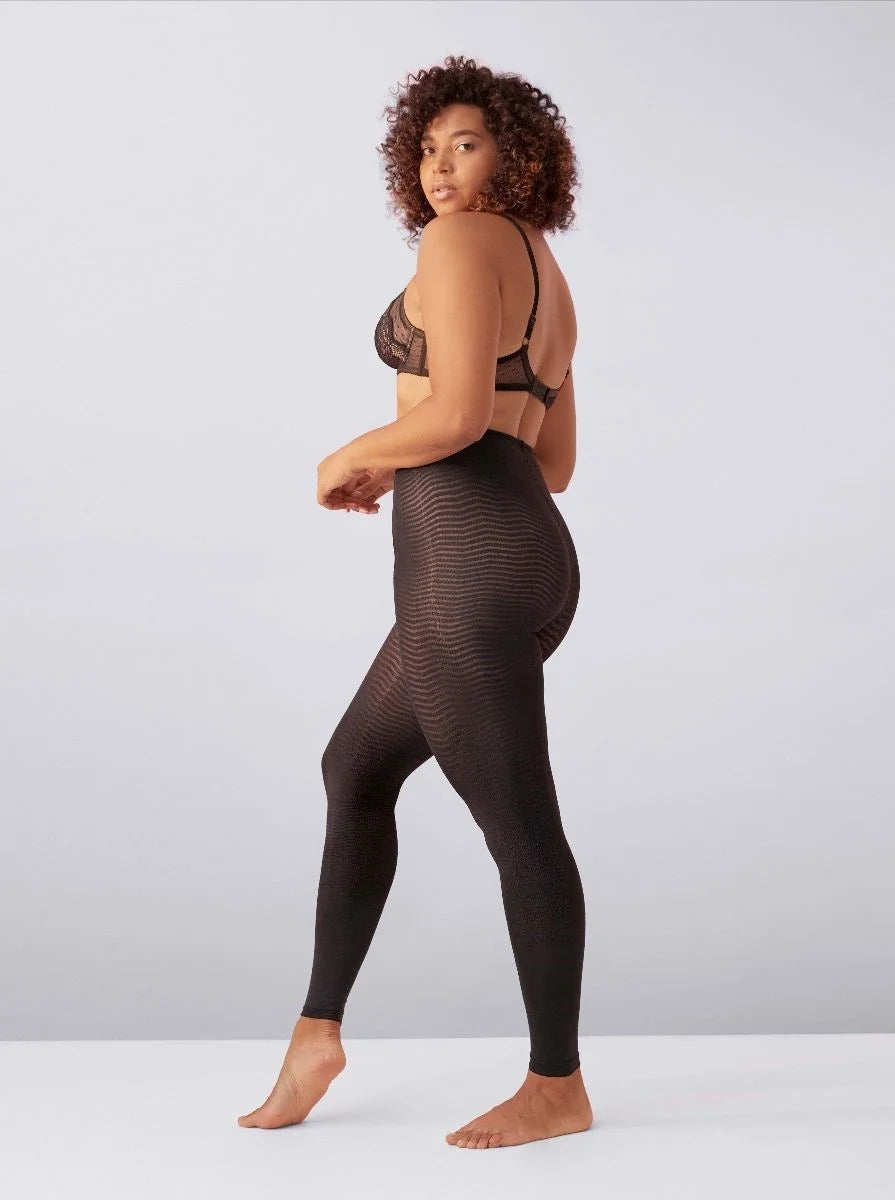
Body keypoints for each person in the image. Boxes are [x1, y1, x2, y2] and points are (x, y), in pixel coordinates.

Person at [238, 54, 592, 1150]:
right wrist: (407, 462)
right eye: (428, 148)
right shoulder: (544, 271)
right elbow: (549, 458)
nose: (441, 169)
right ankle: (316, 1035)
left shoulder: (458, 243)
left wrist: (350, 454)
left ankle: (556, 1084)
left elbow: (454, 415)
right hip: (521, 550)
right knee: (356, 767)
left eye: (466, 145)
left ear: (514, 155)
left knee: (518, 823)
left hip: (469, 565)